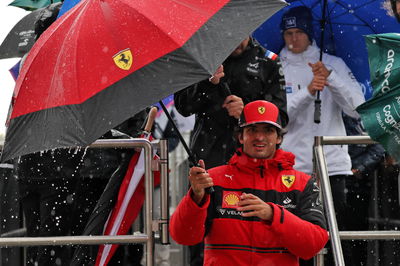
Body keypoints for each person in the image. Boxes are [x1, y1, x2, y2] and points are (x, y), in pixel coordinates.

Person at [170, 100, 328, 265]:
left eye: (268, 130)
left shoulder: (303, 183)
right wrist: (196, 198)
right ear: (240, 136)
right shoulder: (212, 179)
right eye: (252, 130)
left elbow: (313, 245)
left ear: (279, 137)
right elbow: (183, 236)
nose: (259, 137)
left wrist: (273, 215)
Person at [277, 6, 365, 265]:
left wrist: (331, 79)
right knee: (296, 237)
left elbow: (357, 109)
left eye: (299, 33)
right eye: (288, 33)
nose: (294, 39)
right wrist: (307, 92)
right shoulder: (276, 68)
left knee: (333, 235)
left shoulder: (333, 64)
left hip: (332, 167)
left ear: (310, 33)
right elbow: (278, 119)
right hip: (292, 167)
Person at [174, 36, 288, 170]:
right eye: (229, 38)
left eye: (241, 37)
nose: (235, 43)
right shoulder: (202, 58)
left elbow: (280, 117)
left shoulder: (268, 61)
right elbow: (183, 107)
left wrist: (247, 113)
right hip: (208, 155)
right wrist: (208, 84)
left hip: (252, 159)